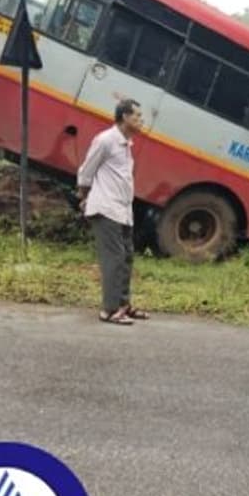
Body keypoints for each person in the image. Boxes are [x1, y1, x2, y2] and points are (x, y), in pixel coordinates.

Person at [77, 98, 146, 326]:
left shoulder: (126, 145)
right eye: (137, 116)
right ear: (125, 117)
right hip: (106, 208)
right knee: (114, 258)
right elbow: (86, 171)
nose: (141, 121)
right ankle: (109, 310)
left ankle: (124, 305)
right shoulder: (106, 140)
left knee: (126, 257)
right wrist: (85, 197)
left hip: (122, 210)